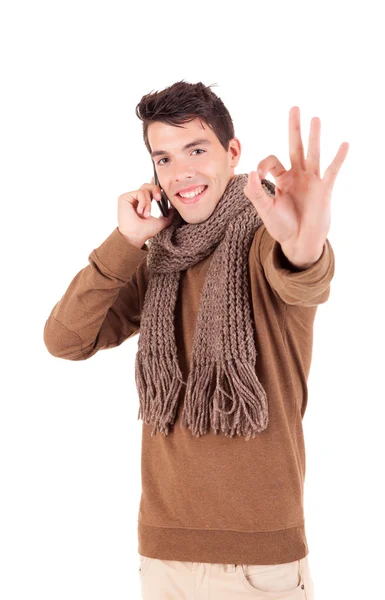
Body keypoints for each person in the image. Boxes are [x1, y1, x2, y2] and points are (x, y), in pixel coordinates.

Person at [43, 80, 349, 598]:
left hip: (258, 562)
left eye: (197, 150)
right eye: (163, 158)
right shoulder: (159, 259)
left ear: (233, 152)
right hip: (164, 557)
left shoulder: (266, 238)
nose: (180, 171)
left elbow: (303, 275)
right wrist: (127, 242)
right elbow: (65, 339)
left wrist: (306, 245)